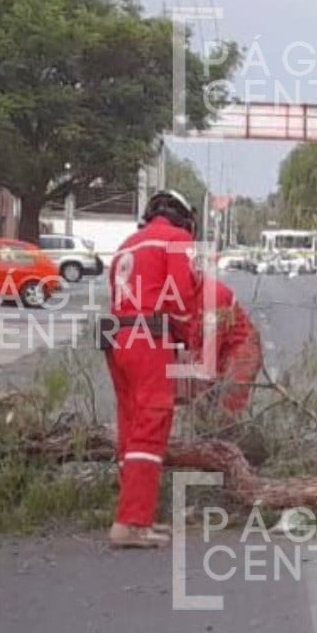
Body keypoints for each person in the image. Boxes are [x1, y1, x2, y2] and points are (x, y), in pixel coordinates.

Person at [104, 189, 200, 549]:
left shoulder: (127, 245)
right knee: (151, 424)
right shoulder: (177, 240)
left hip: (117, 336)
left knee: (130, 426)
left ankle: (133, 514)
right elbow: (180, 299)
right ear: (184, 217)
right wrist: (188, 340)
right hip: (149, 336)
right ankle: (131, 523)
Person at [188, 277, 263, 424]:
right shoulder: (180, 299)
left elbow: (211, 345)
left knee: (228, 408)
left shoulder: (214, 296)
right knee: (201, 405)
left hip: (241, 352)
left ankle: (227, 431)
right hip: (217, 351)